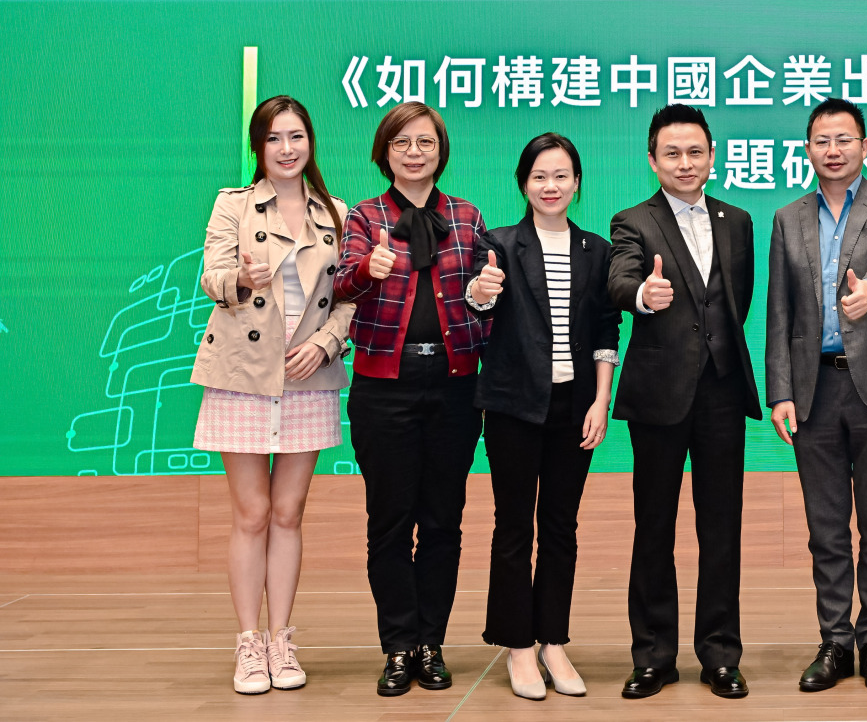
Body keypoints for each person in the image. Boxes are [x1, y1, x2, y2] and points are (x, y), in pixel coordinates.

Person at [766, 98, 867, 695]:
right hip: (813, 389)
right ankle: (835, 640)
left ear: (864, 145)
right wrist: (780, 391)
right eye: (821, 141)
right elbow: (779, 311)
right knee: (826, 526)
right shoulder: (788, 218)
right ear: (808, 149)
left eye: (844, 139)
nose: (832, 150)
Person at [193, 96, 353, 695]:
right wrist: (239, 278)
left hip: (307, 375)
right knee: (252, 513)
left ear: (311, 142)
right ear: (258, 147)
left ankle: (282, 640)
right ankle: (248, 643)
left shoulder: (335, 212)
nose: (287, 149)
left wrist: (327, 344)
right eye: (274, 138)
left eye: (297, 136)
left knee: (288, 512)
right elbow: (210, 275)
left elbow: (351, 297)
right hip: (243, 372)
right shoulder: (233, 204)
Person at [334, 102, 491, 698]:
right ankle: (398, 645)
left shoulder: (467, 217)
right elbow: (339, 285)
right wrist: (367, 271)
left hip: (455, 385)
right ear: (385, 151)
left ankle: (431, 643)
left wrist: (485, 294)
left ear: (441, 150)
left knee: (444, 521)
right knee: (390, 522)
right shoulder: (364, 215)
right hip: (384, 388)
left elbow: (483, 303)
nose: (414, 152)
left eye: (425, 141)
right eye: (402, 142)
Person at [607, 104, 760, 700]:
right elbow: (620, 279)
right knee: (654, 527)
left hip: (721, 391)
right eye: (671, 153)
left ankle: (720, 655)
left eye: (695, 151)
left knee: (722, 528)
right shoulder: (633, 221)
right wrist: (643, 294)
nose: (685, 163)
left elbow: (736, 301)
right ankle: (653, 656)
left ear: (712, 156)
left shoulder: (737, 220)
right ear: (652, 160)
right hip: (658, 394)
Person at [466, 133, 622, 701]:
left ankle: (553, 640)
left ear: (577, 182)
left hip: (574, 407)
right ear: (523, 184)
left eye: (560, 176)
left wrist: (600, 401)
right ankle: (518, 645)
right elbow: (478, 307)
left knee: (561, 526)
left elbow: (606, 330)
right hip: (513, 405)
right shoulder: (499, 245)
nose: (550, 186)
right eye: (539, 176)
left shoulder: (597, 250)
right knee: (513, 526)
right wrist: (480, 291)